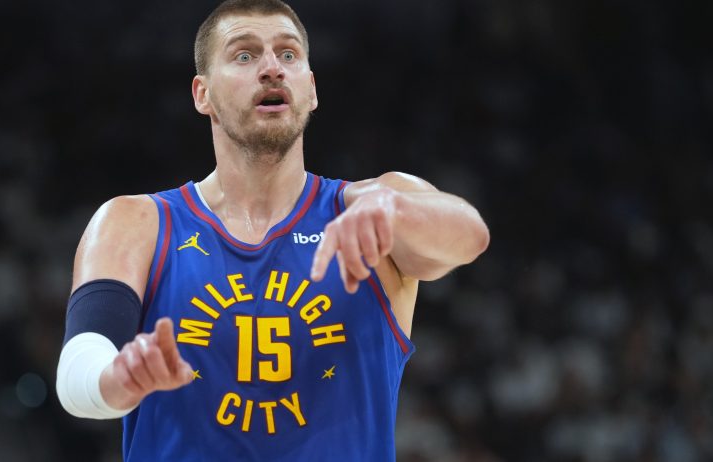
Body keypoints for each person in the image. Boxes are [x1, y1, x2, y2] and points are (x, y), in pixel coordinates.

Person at [55, 0, 490, 460]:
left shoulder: (373, 207)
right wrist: (119, 381)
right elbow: (77, 371)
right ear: (202, 94)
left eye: (288, 55)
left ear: (312, 88)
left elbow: (470, 235)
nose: (271, 69)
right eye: (244, 55)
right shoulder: (136, 222)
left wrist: (398, 211)